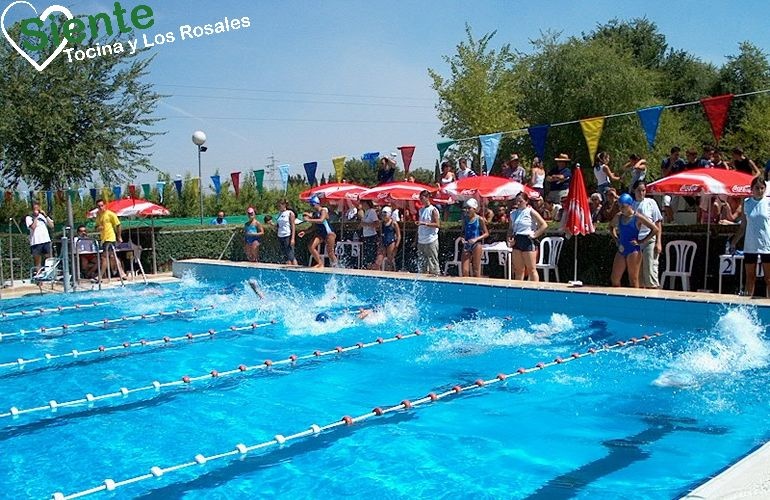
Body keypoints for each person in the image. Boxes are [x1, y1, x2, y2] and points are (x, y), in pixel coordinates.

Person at [731, 176, 770, 297]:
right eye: (757, 188)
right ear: (752, 189)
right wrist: (734, 242)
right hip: (750, 245)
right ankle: (747, 302)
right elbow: (743, 226)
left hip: (766, 244)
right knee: (750, 277)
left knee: (768, 278)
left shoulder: (768, 202)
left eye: (762, 188)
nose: (760, 191)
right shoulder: (747, 203)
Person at [610, 193, 659, 288]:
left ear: (630, 205)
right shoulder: (619, 216)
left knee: (633, 279)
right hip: (622, 249)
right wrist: (616, 239)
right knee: (615, 278)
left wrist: (641, 241)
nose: (621, 209)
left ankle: (635, 297)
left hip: (633, 250)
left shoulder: (637, 217)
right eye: (619, 206)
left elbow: (655, 229)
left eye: (623, 206)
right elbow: (611, 227)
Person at [507, 192, 548, 281]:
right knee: (518, 270)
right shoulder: (513, 213)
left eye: (520, 201)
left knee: (531, 269)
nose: (518, 203)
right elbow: (510, 228)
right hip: (517, 239)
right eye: (517, 201)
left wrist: (535, 235)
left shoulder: (530, 211)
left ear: (526, 201)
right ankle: (518, 287)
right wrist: (509, 238)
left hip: (527, 240)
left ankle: (535, 288)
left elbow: (544, 225)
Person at [631, 180, 663, 289]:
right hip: (636, 240)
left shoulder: (651, 203)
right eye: (639, 191)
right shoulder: (631, 204)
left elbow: (657, 223)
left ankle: (652, 288)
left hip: (649, 238)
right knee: (637, 270)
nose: (641, 193)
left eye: (643, 190)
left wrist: (658, 242)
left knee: (650, 267)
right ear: (634, 191)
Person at [94, 199, 127, 281]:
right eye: (99, 206)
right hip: (103, 239)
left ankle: (100, 276)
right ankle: (122, 274)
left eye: (102, 205)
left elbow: (118, 224)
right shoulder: (98, 215)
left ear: (105, 205)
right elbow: (96, 227)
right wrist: (98, 228)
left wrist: (119, 236)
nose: (100, 207)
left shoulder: (110, 214)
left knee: (104, 257)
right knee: (113, 256)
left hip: (110, 238)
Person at [304, 196, 338, 268]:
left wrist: (309, 220)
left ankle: (337, 266)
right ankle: (320, 263)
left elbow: (321, 220)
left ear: (317, 204)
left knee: (330, 253)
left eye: (312, 205)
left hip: (329, 234)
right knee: (311, 246)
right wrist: (305, 232)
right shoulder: (315, 214)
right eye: (311, 205)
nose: (311, 207)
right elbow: (314, 227)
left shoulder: (323, 211)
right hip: (321, 234)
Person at [460, 199, 489, 277]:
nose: (467, 210)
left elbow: (486, 233)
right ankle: (466, 284)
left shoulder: (479, 219)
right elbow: (463, 232)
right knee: (465, 271)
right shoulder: (465, 219)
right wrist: (462, 238)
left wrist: (476, 239)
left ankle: (477, 283)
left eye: (469, 208)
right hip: (467, 244)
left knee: (476, 269)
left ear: (474, 209)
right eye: (466, 208)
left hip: (476, 245)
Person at [416, 190, 440, 275]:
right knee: (422, 263)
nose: (421, 200)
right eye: (420, 198)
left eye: (422, 198)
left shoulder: (433, 210)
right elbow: (419, 226)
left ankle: (435, 275)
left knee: (433, 261)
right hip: (421, 240)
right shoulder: (421, 210)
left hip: (431, 239)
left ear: (427, 198)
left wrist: (425, 224)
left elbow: (437, 224)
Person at [25, 202, 54, 273]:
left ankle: (49, 273)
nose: (37, 210)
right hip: (36, 242)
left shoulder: (43, 216)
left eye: (38, 208)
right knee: (37, 260)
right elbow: (33, 227)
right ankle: (38, 275)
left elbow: (51, 225)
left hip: (46, 240)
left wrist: (45, 216)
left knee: (49, 258)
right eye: (35, 208)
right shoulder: (29, 218)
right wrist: (35, 217)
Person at [374, 206, 401, 271]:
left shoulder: (394, 223)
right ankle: (378, 274)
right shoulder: (381, 223)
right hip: (383, 241)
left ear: (389, 214)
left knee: (389, 260)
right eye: (382, 215)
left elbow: (399, 235)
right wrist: (379, 243)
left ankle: (391, 273)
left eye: (385, 215)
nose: (383, 216)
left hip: (391, 242)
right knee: (378, 260)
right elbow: (381, 234)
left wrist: (396, 246)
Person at [276, 199, 297, 265]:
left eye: (280, 206)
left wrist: (293, 238)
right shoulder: (279, 214)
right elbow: (278, 226)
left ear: (284, 205)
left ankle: (295, 268)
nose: (279, 207)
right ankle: (288, 267)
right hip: (280, 236)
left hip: (287, 235)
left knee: (291, 255)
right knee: (285, 256)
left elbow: (293, 225)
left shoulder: (290, 213)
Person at [360, 200, 379, 269]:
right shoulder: (366, 212)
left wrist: (366, 224)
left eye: (362, 203)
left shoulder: (372, 211)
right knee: (367, 255)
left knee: (371, 255)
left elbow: (377, 223)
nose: (361, 205)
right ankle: (368, 267)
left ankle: (372, 268)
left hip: (371, 236)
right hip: (366, 236)